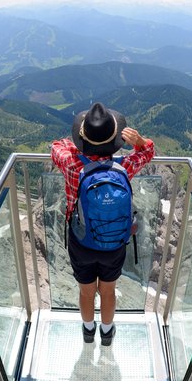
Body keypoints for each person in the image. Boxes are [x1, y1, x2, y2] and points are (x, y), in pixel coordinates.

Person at [51, 102, 154, 345]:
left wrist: (79, 139)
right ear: (115, 140)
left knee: (86, 292)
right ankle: (107, 334)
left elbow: (57, 146)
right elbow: (148, 152)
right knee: (107, 291)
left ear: (82, 138)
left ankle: (88, 331)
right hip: (114, 244)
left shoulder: (72, 164)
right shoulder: (124, 166)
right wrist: (139, 142)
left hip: (82, 242)